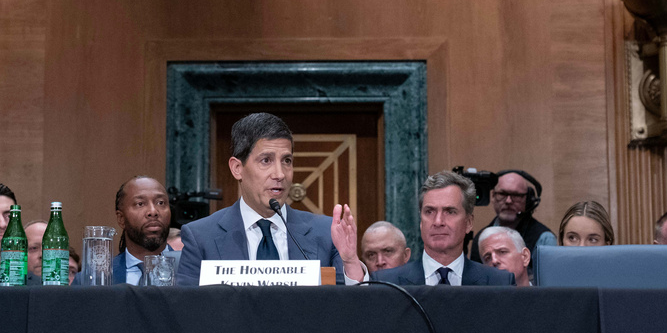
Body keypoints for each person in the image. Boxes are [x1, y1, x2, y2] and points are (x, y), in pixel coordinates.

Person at [176, 112, 366, 286]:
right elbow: (187, 311)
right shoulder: (201, 237)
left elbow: (352, 310)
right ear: (237, 168)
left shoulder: (325, 233)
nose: (280, 174)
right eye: (266, 160)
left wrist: (350, 262)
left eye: (287, 161)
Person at [374, 171, 513, 286]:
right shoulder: (386, 283)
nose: (438, 221)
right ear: (421, 221)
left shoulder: (499, 282)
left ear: (469, 223)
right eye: (429, 211)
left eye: (450, 211)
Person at [470, 170, 556, 274]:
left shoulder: (544, 238)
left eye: (516, 195)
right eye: (502, 194)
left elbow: (547, 283)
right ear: (492, 196)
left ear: (528, 200)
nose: (508, 201)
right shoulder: (481, 238)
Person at [103, 176, 180, 286]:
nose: (153, 211)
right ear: (121, 219)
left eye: (161, 203)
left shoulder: (193, 271)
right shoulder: (97, 278)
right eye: (140, 204)